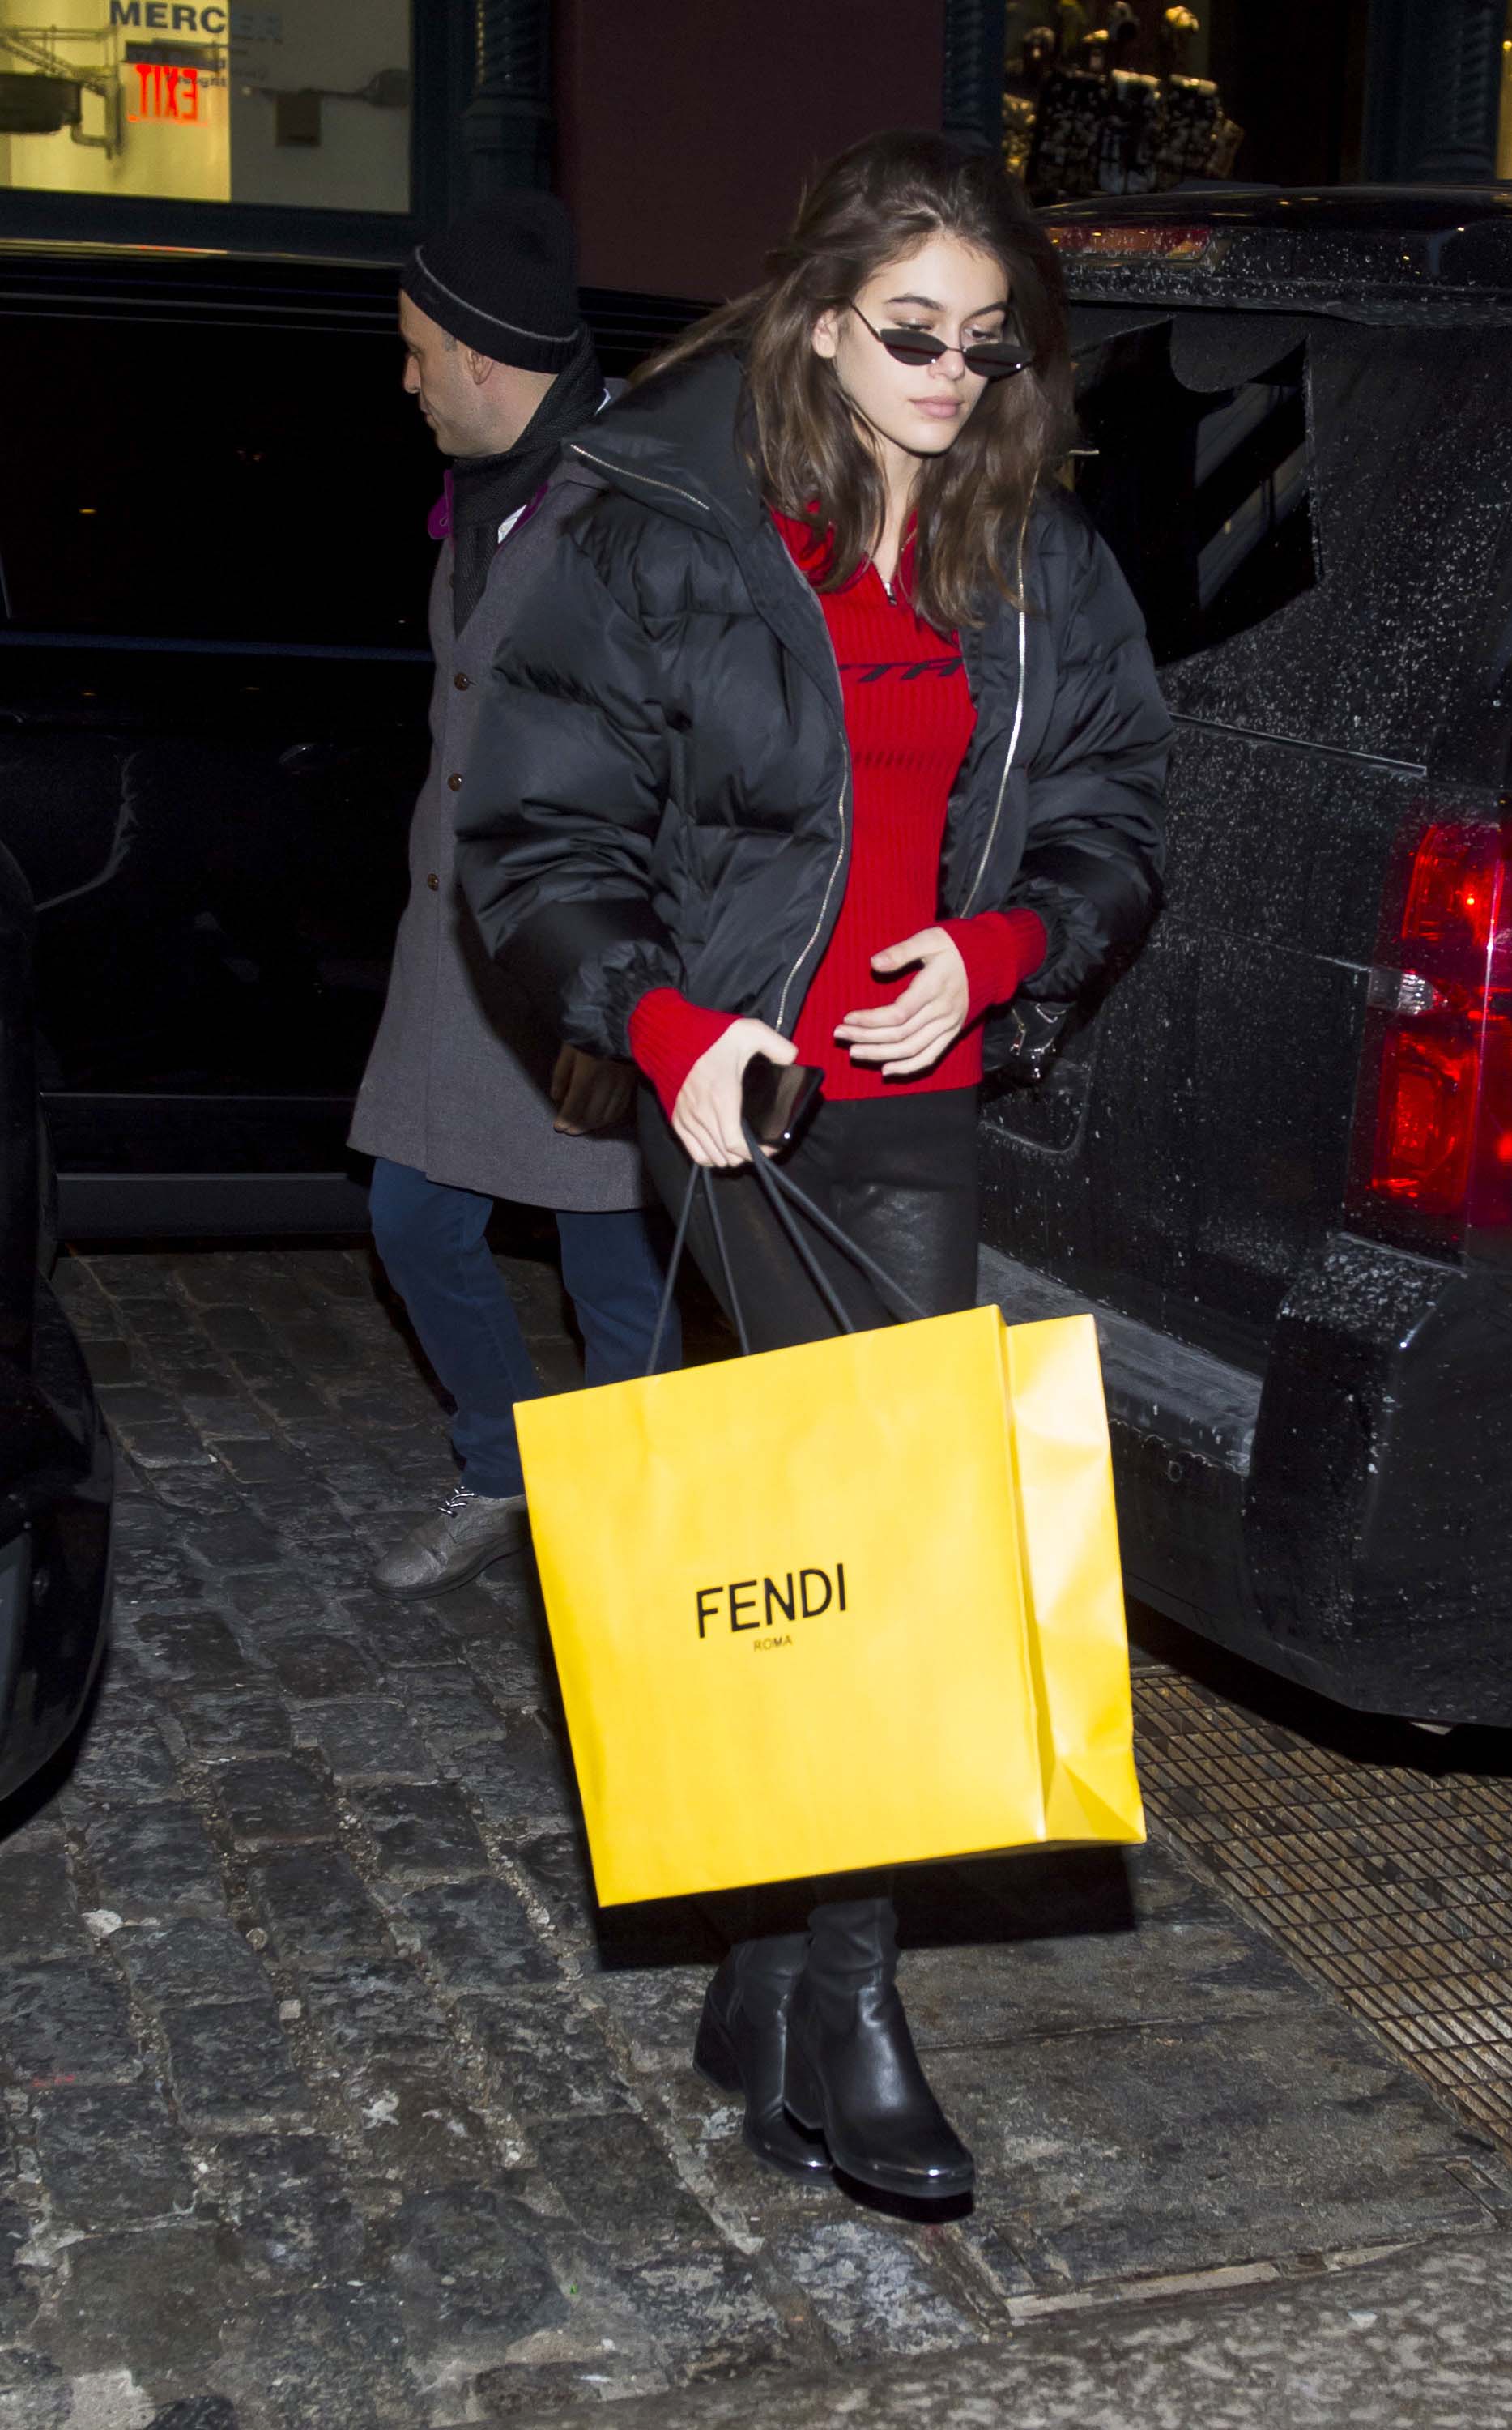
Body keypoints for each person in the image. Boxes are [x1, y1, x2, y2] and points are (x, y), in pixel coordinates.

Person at [456, 134, 1169, 2200]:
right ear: (816, 312)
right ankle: (849, 2011)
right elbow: (535, 835)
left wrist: (999, 949)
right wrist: (666, 1029)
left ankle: (766, 1973)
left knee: (863, 1535)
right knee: (881, 1529)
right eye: (912, 334)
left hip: (919, 1093)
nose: (956, 372)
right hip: (743, 1102)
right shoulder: (670, 522)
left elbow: (1119, 795)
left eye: (990, 339)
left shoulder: (1029, 537)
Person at [350, 191, 676, 1601]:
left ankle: (625, 1549)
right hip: (459, 955)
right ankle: (500, 1462)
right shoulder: (491, 490)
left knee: (614, 1279)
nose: (407, 377)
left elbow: (693, 777)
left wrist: (623, 1005)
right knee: (413, 1222)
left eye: (420, 352)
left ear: (488, 358)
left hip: (589, 960)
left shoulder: (644, 511)